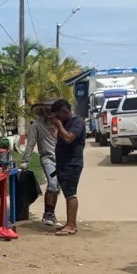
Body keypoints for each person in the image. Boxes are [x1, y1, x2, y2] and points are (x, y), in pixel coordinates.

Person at [49, 99, 86, 236]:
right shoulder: (64, 123)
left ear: (65, 111)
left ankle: (71, 225)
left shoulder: (77, 122)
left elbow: (69, 138)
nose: (57, 118)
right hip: (63, 163)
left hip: (72, 163)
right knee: (66, 193)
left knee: (70, 194)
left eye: (58, 115)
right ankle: (70, 223)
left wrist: (59, 125)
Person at [20, 103, 60, 225]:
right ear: (42, 111)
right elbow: (30, 144)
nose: (49, 112)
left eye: (51, 109)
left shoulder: (61, 124)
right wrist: (25, 161)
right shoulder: (36, 126)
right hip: (48, 159)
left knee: (57, 188)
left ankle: (51, 214)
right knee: (52, 185)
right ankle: (47, 215)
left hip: (60, 160)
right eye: (46, 110)